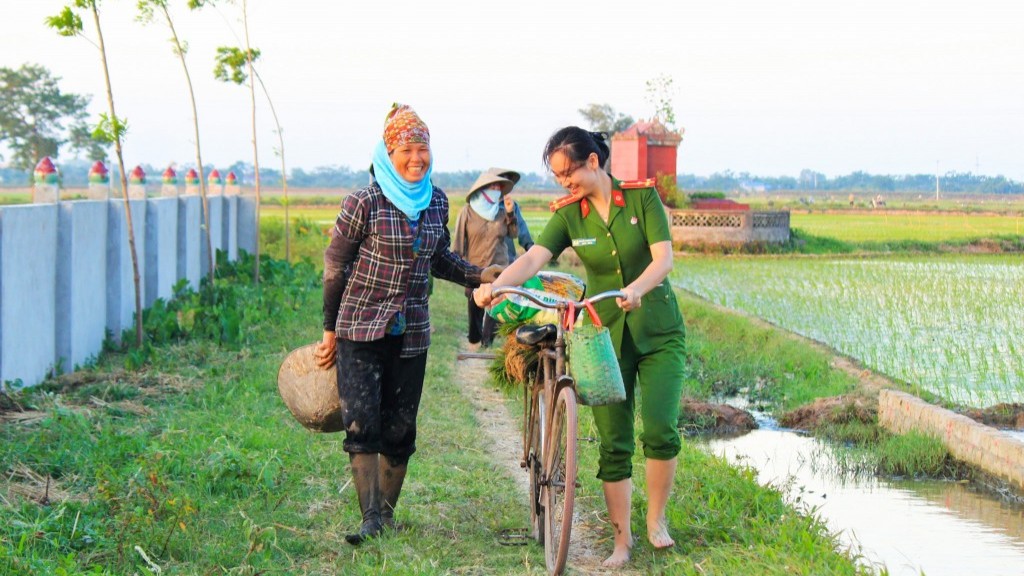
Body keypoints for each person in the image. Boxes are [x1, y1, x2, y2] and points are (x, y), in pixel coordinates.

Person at [473, 127, 686, 568]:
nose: (563, 182)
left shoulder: (642, 199)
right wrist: (496, 286)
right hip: (603, 335)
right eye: (557, 176)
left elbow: (663, 258)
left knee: (660, 429)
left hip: (659, 330)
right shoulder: (570, 215)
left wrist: (638, 287)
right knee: (614, 441)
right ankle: (622, 542)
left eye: (568, 171)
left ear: (593, 161)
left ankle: (657, 520)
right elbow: (534, 259)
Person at [315, 103, 500, 545]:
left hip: (412, 331)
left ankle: (387, 514)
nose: (417, 158)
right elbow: (335, 267)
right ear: (388, 152)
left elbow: (438, 258)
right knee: (362, 424)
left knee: (400, 428)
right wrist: (329, 329)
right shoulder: (365, 201)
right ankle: (370, 518)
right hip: (359, 328)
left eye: (424, 149)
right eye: (407, 150)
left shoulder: (436, 201)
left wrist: (478, 274)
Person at [482, 167, 535, 262]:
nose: (499, 188)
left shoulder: (511, 206)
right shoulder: (479, 207)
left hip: (507, 261)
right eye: (496, 184)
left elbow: (522, 229)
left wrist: (531, 248)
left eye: (503, 184)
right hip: (483, 262)